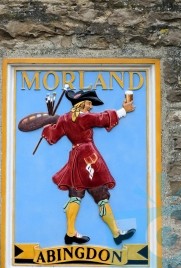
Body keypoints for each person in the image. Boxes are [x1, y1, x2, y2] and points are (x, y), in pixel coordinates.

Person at [42, 89, 136, 245]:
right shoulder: (84, 117)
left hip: (75, 158)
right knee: (101, 196)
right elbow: (102, 119)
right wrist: (123, 110)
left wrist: (48, 127)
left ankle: (70, 233)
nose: (91, 106)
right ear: (82, 103)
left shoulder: (65, 119)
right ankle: (116, 233)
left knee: (75, 195)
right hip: (89, 158)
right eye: (90, 103)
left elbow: (53, 136)